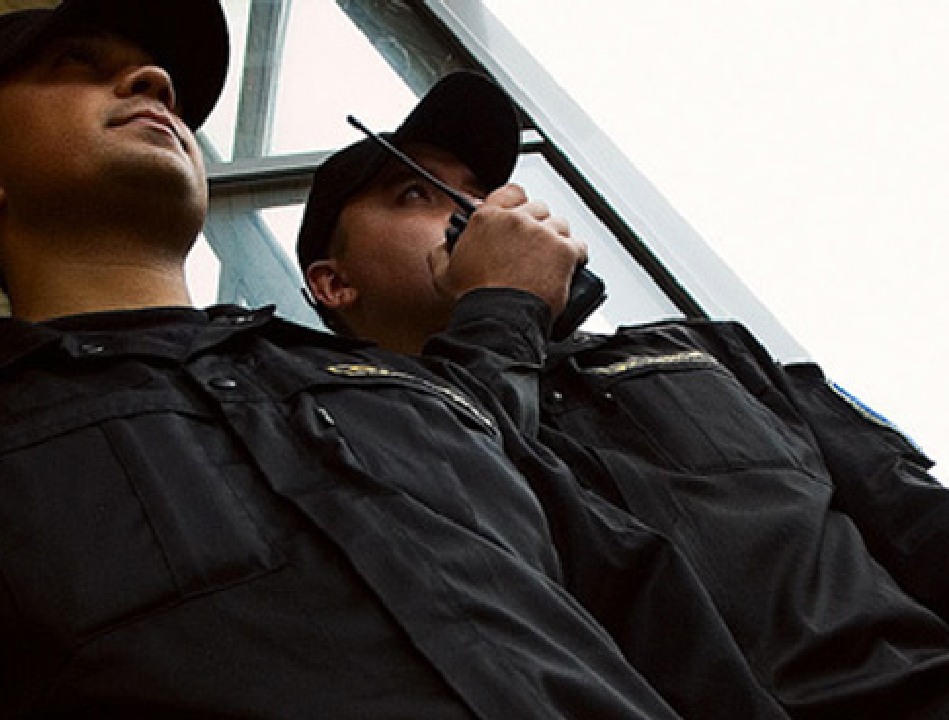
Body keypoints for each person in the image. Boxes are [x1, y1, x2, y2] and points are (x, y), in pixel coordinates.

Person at [0, 3, 793, 719]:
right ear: (330, 283)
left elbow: (657, 622)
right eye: (76, 61)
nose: (156, 81)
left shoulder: (403, 392)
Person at [297, 69, 949, 720]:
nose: (478, 210)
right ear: (335, 284)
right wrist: (504, 304)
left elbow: (916, 517)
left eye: (481, 190)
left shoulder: (705, 349)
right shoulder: (349, 434)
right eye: (416, 193)